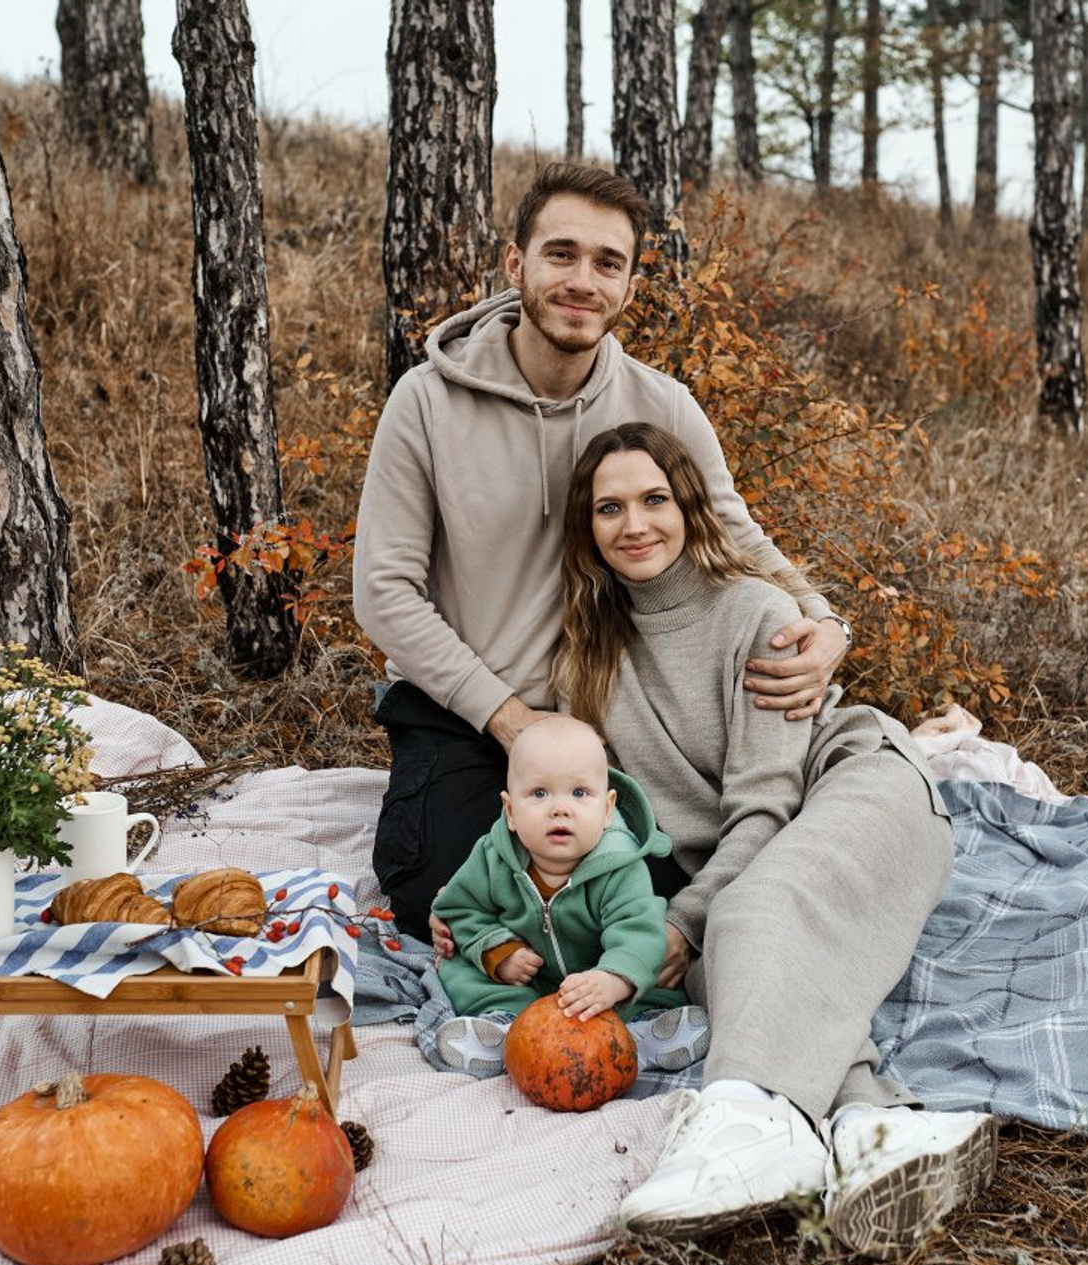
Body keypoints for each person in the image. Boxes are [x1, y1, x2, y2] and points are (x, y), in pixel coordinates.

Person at [353, 162, 851, 942]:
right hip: (467, 713)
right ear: (516, 264)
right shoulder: (426, 402)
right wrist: (513, 722)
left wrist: (826, 623)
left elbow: (736, 534)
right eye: (561, 254)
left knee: (650, 907)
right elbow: (384, 594)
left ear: (628, 286)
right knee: (446, 899)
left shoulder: (663, 406)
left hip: (612, 716)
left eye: (608, 263)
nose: (582, 280)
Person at [550, 423, 996, 1260]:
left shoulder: (756, 612)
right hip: (751, 859)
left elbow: (764, 808)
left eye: (656, 500)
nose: (636, 524)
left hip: (860, 789)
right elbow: (587, 814)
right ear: (587, 529)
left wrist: (680, 922)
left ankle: (744, 1117)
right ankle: (881, 1130)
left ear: (690, 506)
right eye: (610, 508)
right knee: (733, 963)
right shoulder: (587, 658)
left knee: (747, 913)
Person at [430, 713, 709, 1079]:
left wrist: (613, 979)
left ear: (607, 809)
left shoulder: (619, 866)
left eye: (579, 793)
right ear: (511, 811)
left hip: (600, 987)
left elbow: (638, 931)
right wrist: (499, 952)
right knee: (457, 967)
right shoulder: (492, 856)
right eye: (539, 793)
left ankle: (638, 1036)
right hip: (528, 983)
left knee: (654, 972)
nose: (560, 808)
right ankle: (507, 1031)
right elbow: (461, 909)